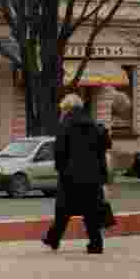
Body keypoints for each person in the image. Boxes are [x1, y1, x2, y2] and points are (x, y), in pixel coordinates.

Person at [42, 93, 108, 255]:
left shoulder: (65, 125)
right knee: (91, 211)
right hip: (92, 176)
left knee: (63, 209)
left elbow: (60, 150)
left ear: (68, 108)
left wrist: (60, 168)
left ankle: (54, 239)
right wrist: (102, 175)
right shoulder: (93, 124)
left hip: (70, 175)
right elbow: (102, 150)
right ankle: (96, 244)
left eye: (63, 108)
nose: (62, 112)